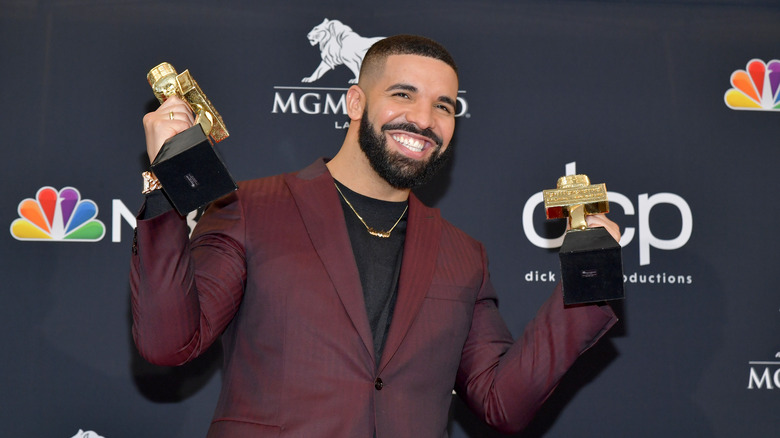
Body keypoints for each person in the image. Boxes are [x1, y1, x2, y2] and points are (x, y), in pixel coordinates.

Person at [131, 34, 620, 437]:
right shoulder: (251, 208)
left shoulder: (462, 254)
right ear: (356, 101)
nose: (425, 121)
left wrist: (589, 278)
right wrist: (167, 182)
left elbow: (502, 402)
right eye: (403, 95)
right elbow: (169, 341)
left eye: (444, 106)